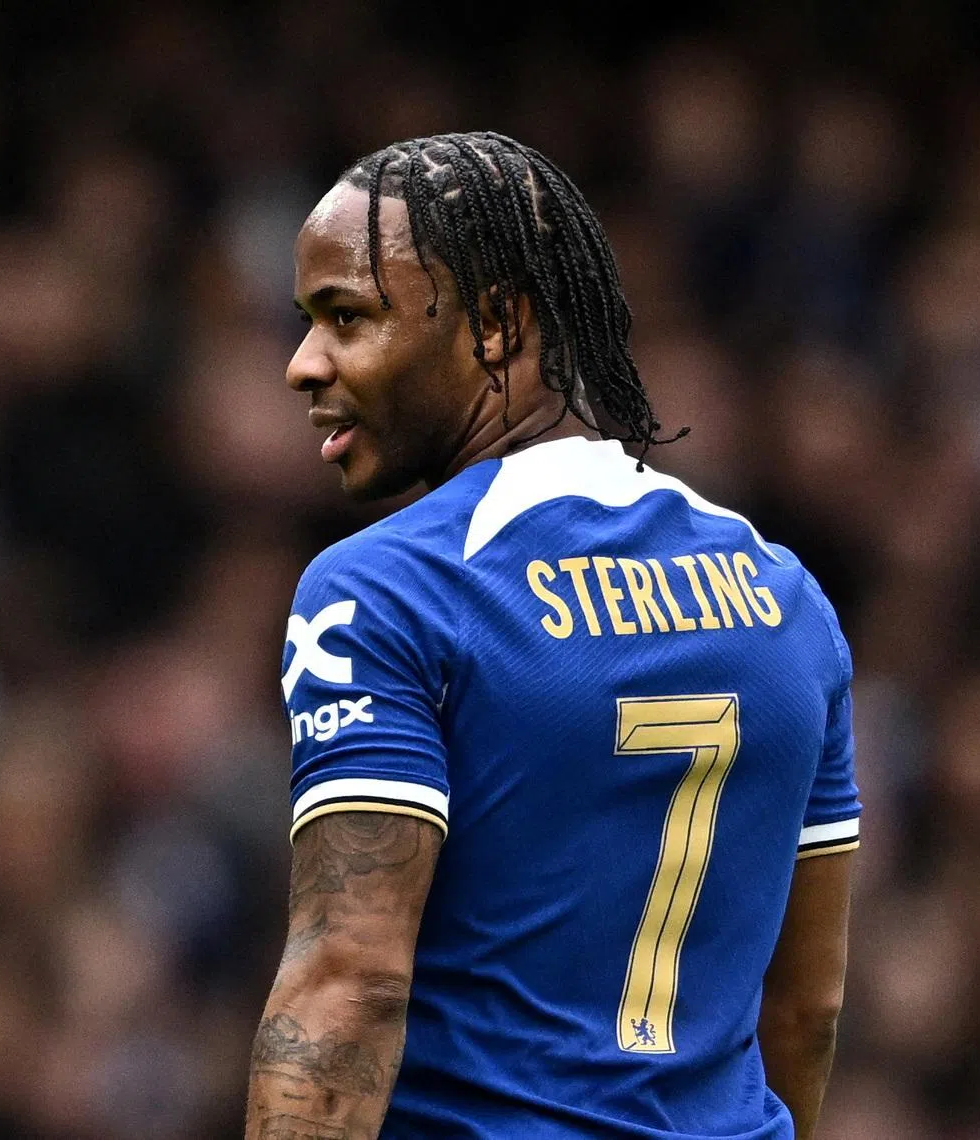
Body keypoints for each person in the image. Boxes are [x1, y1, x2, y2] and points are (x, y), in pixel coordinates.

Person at [245, 131, 859, 1140]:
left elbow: (348, 987)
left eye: (346, 317)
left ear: (496, 326)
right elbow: (808, 1009)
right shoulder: (786, 598)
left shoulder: (388, 589)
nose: (302, 364)